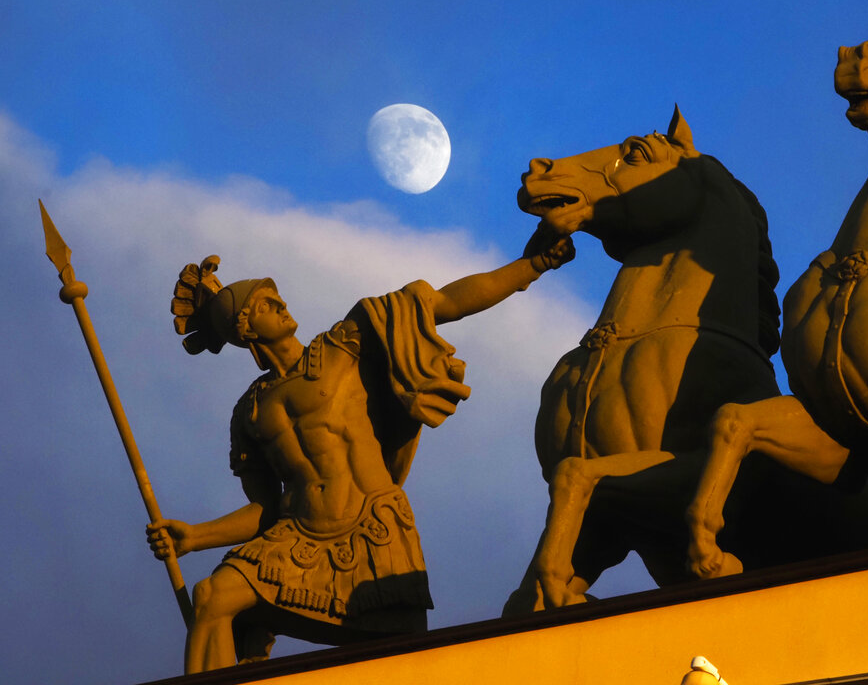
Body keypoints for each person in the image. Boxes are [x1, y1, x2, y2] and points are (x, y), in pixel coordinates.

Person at [147, 232, 574, 673]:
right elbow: (265, 508)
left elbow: (443, 303)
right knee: (211, 597)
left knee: (408, 660)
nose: (280, 303)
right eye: (264, 304)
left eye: (276, 296)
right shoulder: (249, 413)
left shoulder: (344, 345)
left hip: (373, 530)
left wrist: (532, 265)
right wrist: (194, 537)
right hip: (295, 537)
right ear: (245, 329)